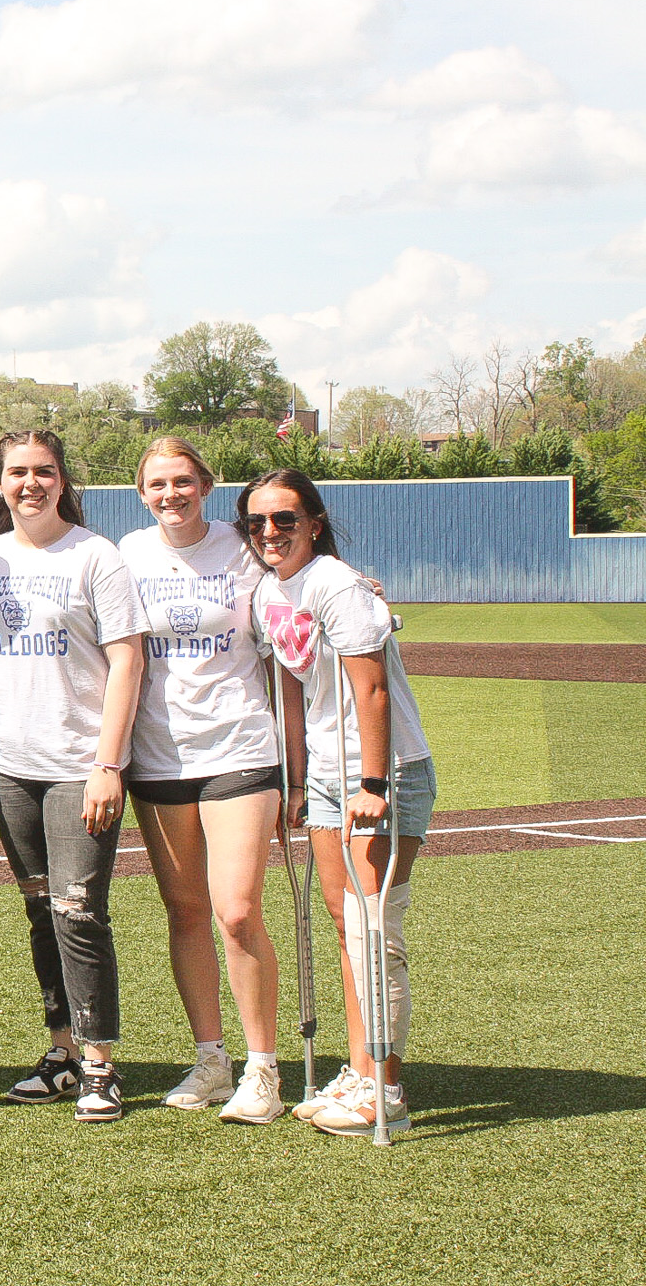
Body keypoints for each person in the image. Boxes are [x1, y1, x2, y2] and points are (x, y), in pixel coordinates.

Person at [244, 468, 434, 1137]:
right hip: (326, 772)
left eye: (285, 519)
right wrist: (296, 782)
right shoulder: (269, 591)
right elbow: (291, 690)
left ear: (314, 523)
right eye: (257, 522)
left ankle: (387, 1090)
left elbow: (372, 689)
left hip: (382, 771)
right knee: (344, 922)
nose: (270, 532)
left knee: (371, 927)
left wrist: (374, 783)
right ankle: (358, 1070)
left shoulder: (336, 584)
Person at [0, 430, 145, 1123]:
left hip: (79, 766)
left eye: (44, 470)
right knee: (41, 908)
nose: (31, 483)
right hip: (7, 763)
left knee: (79, 909)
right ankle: (62, 1052)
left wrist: (108, 764)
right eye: (17, 472)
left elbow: (127, 660)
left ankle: (101, 1064)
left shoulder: (96, 555)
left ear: (63, 479)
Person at [119, 437, 288, 1124]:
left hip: (240, 746)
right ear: (142, 494)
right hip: (159, 757)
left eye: (183, 481)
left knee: (237, 911)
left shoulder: (241, 546)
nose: (172, 495)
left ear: (206, 486)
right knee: (185, 910)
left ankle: (263, 1067)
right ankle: (211, 1059)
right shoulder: (128, 554)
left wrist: (355, 584)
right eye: (158, 484)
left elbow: (297, 576)